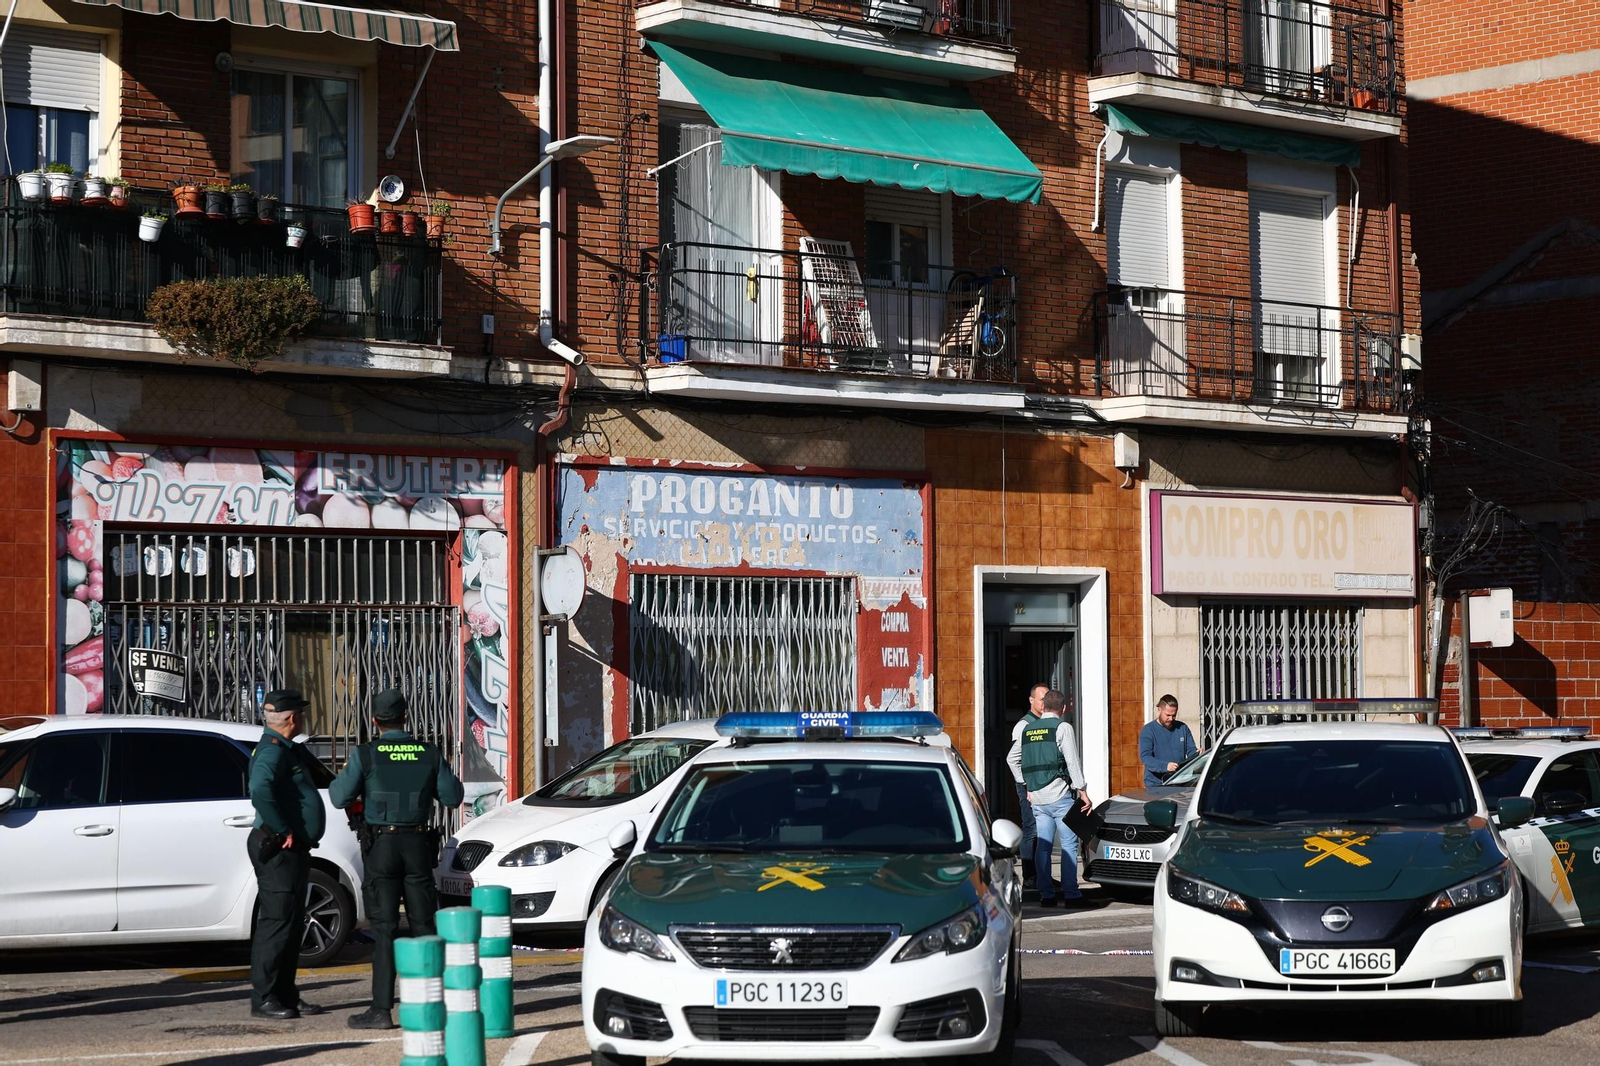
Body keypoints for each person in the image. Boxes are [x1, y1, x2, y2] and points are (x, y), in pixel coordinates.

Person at [332, 688, 464, 1031]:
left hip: (382, 848)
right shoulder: (428, 753)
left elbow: (338, 796)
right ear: (406, 717)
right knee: (423, 926)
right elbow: (453, 796)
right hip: (418, 845)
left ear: (375, 721)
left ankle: (380, 1010)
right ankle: (433, 1004)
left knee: (385, 929)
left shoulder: (366, 754)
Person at [247, 689, 327, 1020]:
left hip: (293, 848)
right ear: (293, 718)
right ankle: (264, 998)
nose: (303, 719)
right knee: (276, 923)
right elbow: (259, 790)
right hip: (278, 848)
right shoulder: (272, 752)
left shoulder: (287, 749)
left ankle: (286, 994)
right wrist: (281, 830)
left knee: (292, 924)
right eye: (302, 714)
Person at [1007, 687, 1093, 908]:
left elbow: (1011, 759)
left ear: (1043, 706)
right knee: (1068, 845)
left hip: (1037, 799)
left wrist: (1025, 783)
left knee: (1043, 846)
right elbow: (1072, 762)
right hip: (1059, 796)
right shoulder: (1062, 728)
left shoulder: (1028, 729)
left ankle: (1047, 896)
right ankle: (1072, 895)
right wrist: (1082, 792)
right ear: (1063, 708)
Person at [1010, 686, 1045, 886]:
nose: (1044, 703)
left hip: (1043, 786)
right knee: (1031, 829)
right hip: (1027, 785)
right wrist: (1024, 784)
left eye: (1047, 699)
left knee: (1043, 831)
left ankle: (1043, 876)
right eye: (1041, 699)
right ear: (1031, 700)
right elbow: (1017, 758)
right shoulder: (1023, 726)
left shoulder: (1048, 723)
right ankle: (1030, 877)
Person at [1138, 694, 1199, 789]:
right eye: (1167, 715)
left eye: (1174, 715)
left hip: (1179, 781)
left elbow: (1191, 750)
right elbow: (1146, 757)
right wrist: (1165, 766)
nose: (1170, 719)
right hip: (1156, 784)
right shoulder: (1148, 730)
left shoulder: (1182, 728)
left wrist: (1197, 755)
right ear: (1159, 709)